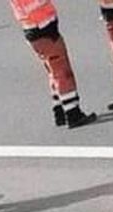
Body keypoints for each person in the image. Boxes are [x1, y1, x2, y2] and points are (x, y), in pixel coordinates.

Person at [9, 0, 98, 128]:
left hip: (32, 27)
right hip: (43, 26)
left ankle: (59, 110)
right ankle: (72, 112)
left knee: (53, 70)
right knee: (62, 71)